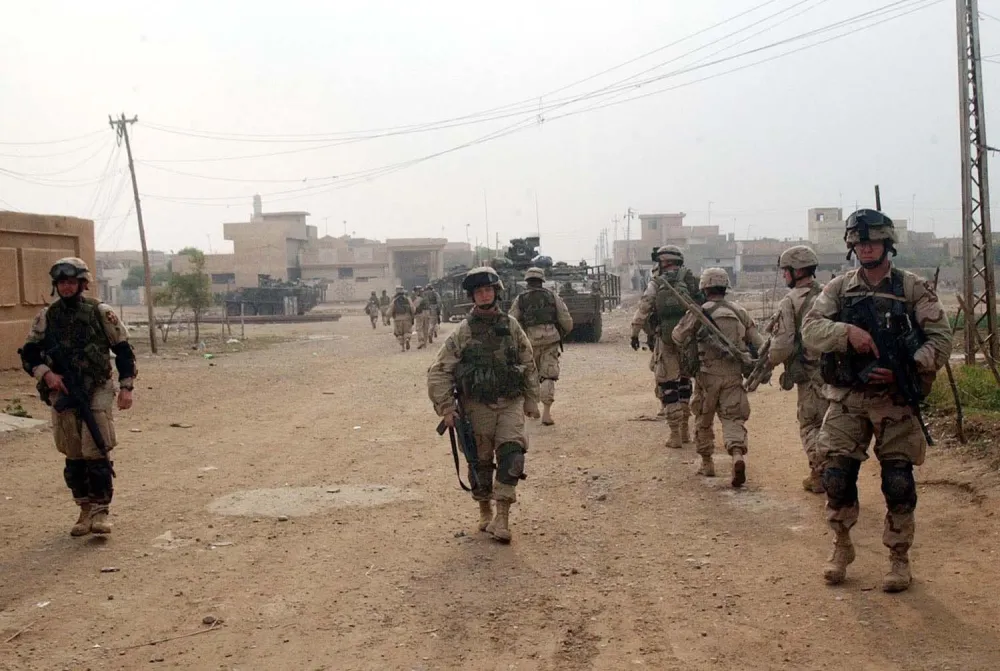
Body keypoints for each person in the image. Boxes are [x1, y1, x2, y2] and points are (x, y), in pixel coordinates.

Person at [802, 209, 950, 593]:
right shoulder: (838, 289)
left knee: (898, 480)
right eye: (859, 243)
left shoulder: (912, 288)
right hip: (849, 397)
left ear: (887, 244)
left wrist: (907, 367)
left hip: (894, 399)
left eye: (873, 242)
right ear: (852, 247)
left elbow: (940, 339)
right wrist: (846, 332)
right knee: (836, 475)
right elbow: (811, 331)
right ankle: (841, 546)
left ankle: (899, 558)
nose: (866, 248)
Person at [18, 257, 137, 537]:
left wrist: (127, 387)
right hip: (63, 390)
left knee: (96, 446)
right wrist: (47, 375)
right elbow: (29, 353)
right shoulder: (48, 316)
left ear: (82, 284)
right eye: (62, 283)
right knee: (72, 452)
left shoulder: (100, 311)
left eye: (71, 282)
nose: (67, 287)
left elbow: (122, 350)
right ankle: (83, 509)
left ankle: (100, 511)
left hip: (96, 386)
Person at [427, 267, 540, 542]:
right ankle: (484, 510)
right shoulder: (463, 332)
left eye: (488, 290)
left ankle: (503, 517)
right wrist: (446, 407)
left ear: (496, 293)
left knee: (512, 456)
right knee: (480, 463)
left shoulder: (512, 326)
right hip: (477, 406)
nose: (484, 295)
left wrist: (532, 399)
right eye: (479, 292)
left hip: (509, 403)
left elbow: (528, 361)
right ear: (472, 296)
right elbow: (439, 370)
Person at [672, 268, 762, 488]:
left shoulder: (698, 312)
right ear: (725, 287)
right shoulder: (739, 311)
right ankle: (737, 454)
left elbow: (677, 336)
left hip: (706, 377)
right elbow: (758, 343)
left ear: (704, 288)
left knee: (703, 421)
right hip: (733, 376)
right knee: (733, 419)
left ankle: (707, 462)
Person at [767, 245, 828, 494]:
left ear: (797, 270)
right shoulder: (828, 294)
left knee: (810, 425)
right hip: (836, 373)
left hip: (811, 374)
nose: (784, 276)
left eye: (786, 271)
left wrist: (769, 362)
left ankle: (821, 473)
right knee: (832, 424)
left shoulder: (790, 302)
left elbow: (782, 344)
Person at [630, 245, 701, 448]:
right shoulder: (691, 280)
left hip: (666, 339)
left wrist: (635, 333)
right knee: (685, 381)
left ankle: (675, 434)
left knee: (668, 385)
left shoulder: (656, 283)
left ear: (663, 262)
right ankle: (686, 429)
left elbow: (644, 307)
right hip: (689, 339)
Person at [508, 267, 573, 425]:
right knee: (548, 375)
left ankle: (533, 408)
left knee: (530, 375)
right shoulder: (552, 296)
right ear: (542, 281)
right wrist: (563, 332)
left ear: (527, 281)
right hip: (550, 341)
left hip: (528, 342)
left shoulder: (520, 298)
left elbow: (511, 321)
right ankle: (547, 413)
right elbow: (565, 318)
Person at [388, 285, 414, 351]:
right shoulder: (408, 299)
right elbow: (412, 308)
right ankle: (407, 339)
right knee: (407, 332)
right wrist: (412, 315)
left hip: (397, 319)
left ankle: (402, 347)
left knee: (399, 334)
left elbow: (390, 310)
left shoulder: (394, 300)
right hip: (407, 318)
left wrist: (388, 317)